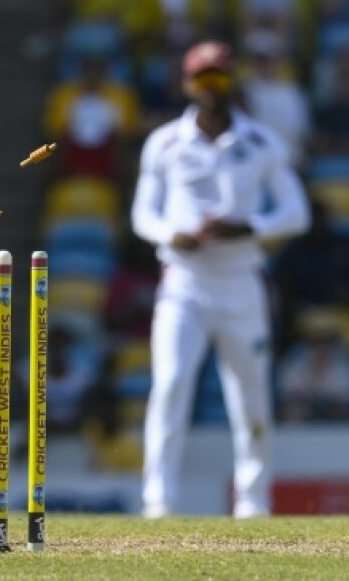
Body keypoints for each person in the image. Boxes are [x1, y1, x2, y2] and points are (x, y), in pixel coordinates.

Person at [130, 40, 310, 519]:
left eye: (220, 78)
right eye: (203, 79)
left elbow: (296, 213)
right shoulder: (165, 142)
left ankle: (253, 502)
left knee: (250, 394)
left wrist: (249, 227)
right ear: (188, 84)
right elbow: (142, 215)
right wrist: (173, 236)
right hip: (183, 283)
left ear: (233, 83)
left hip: (241, 282)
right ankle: (159, 501)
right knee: (169, 384)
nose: (212, 88)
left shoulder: (260, 142)